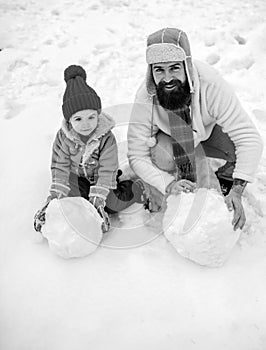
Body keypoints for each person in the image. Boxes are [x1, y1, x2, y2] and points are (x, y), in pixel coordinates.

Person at [127, 27, 263, 231]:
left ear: (186, 65)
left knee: (238, 148)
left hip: (206, 133)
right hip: (170, 139)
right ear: (151, 71)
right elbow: (137, 155)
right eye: (159, 70)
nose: (167, 79)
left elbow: (250, 139)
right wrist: (166, 183)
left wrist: (237, 190)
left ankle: (225, 176)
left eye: (174, 68)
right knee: (162, 158)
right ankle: (162, 189)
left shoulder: (210, 84)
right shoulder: (146, 97)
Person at [34, 65, 145, 233]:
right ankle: (57, 207)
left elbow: (108, 168)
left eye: (91, 117)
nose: (86, 124)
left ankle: (134, 187)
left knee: (113, 204)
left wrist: (99, 196)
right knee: (75, 201)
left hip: (102, 177)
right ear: (69, 120)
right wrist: (56, 195)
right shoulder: (64, 138)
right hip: (77, 177)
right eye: (78, 119)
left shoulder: (106, 138)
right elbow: (60, 166)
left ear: (98, 115)